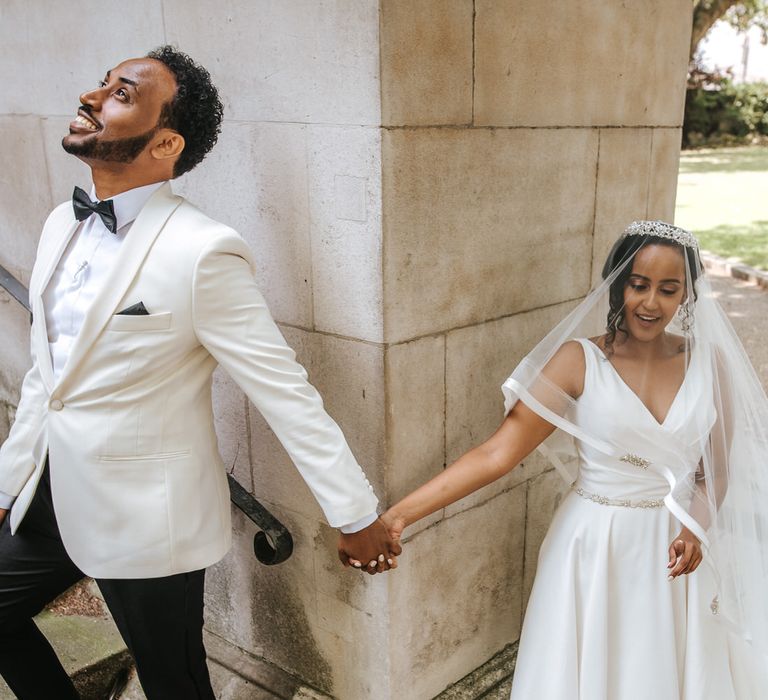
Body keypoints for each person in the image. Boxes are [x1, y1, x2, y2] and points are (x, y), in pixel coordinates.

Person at [0, 46, 399, 700]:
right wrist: (9, 480)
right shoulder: (56, 225)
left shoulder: (202, 251)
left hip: (147, 521)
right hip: (51, 494)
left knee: (174, 683)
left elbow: (285, 393)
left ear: (166, 143)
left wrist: (354, 514)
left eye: (120, 94)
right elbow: (51, 376)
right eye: (102, 84)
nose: (91, 97)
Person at [380, 221, 768, 699]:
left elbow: (716, 471)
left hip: (674, 552)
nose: (651, 303)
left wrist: (696, 528)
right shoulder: (576, 361)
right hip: (592, 546)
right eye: (638, 284)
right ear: (617, 281)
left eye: (668, 290)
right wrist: (398, 516)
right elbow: (498, 453)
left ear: (687, 295)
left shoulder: (711, 364)